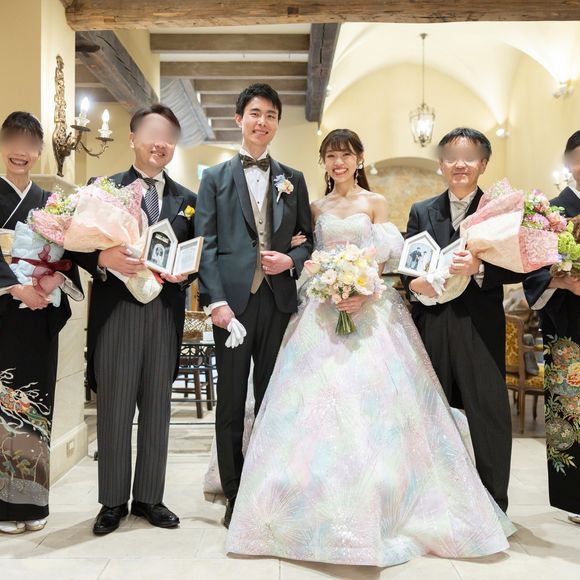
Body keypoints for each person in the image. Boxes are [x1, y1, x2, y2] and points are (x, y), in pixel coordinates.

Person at [226, 129, 515, 566]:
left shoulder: (376, 202)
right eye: (331, 155)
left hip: (371, 311)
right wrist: (324, 281)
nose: (338, 162)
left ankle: (390, 497)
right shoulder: (315, 207)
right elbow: (307, 259)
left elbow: (386, 263)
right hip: (321, 311)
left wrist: (362, 289)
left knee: (380, 408)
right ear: (323, 162)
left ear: (359, 158)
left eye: (346, 154)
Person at [70, 104, 197, 535]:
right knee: (114, 407)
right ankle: (111, 502)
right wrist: (102, 258)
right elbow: (73, 245)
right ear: (132, 138)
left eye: (169, 137)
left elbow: (196, 252)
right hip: (117, 312)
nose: (161, 144)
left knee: (158, 407)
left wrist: (185, 273)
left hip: (164, 312)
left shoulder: (187, 200)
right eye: (152, 134)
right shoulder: (102, 188)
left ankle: (149, 498)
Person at [195, 83, 313, 528]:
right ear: (239, 119)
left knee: (273, 399)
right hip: (232, 307)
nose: (262, 122)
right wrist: (216, 303)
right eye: (255, 113)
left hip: (278, 302)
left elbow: (309, 241)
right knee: (229, 401)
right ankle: (234, 492)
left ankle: (268, 486)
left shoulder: (293, 179)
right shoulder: (214, 178)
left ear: (277, 123)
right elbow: (205, 245)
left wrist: (290, 260)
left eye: (271, 115)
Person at [402, 127, 523, 513]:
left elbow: (519, 266)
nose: (460, 164)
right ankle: (435, 503)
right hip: (433, 321)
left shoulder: (499, 211)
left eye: (469, 157)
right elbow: (409, 265)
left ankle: (494, 505)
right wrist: (417, 284)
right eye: (452, 157)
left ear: (483, 164)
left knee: (488, 412)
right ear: (440, 164)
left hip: (479, 323)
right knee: (431, 411)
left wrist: (479, 267)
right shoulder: (422, 210)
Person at [0, 111, 83, 535]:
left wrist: (51, 279)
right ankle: (4, 506)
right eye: (13, 141)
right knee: (4, 408)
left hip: (40, 317)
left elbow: (69, 253)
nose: (21, 151)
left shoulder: (49, 202)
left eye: (30, 144)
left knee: (36, 407)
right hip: (4, 314)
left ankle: (33, 502)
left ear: (38, 151)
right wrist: (16, 289)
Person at [524, 131, 580, 525]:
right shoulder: (552, 212)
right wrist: (563, 280)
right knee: (572, 410)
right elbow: (533, 270)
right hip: (570, 322)